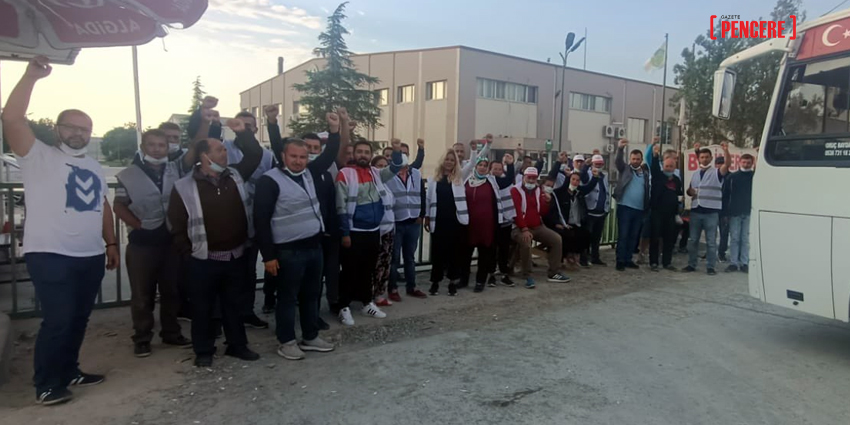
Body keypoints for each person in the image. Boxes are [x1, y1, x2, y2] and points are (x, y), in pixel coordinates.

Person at [1, 56, 120, 406]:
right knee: (59, 319)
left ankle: (69, 370)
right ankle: (47, 384)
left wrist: (111, 242)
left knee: (79, 318)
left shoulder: (94, 166)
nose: (78, 133)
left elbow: (103, 205)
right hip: (50, 254)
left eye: (85, 129)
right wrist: (30, 77)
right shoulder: (37, 156)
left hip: (90, 254)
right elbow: (12, 118)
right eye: (72, 127)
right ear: (57, 129)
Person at [168, 118, 263, 368]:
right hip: (203, 259)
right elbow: (177, 223)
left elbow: (255, 154)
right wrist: (187, 253)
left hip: (236, 256)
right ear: (205, 157)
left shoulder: (235, 176)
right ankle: (204, 350)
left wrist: (242, 132)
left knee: (234, 304)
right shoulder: (184, 186)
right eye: (220, 150)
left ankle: (237, 345)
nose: (225, 153)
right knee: (203, 308)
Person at [253, 110, 343, 360]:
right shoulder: (269, 181)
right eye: (293, 156)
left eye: (303, 157)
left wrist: (335, 130)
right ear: (283, 156)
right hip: (287, 251)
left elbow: (329, 155)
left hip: (313, 247)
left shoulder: (309, 173)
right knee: (287, 298)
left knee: (311, 296)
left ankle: (310, 336)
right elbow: (261, 221)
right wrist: (268, 256)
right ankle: (286, 341)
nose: (299, 161)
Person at [114, 129, 192, 358]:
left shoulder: (175, 169)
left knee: (171, 291)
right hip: (142, 243)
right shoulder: (129, 174)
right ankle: (142, 338)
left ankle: (171, 332)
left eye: (161, 145)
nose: (157, 149)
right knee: (142, 294)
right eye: (152, 145)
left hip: (170, 241)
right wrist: (137, 225)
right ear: (143, 147)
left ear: (167, 148)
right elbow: (119, 205)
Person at [336, 139, 403, 326]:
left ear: (371, 155)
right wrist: (345, 233)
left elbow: (396, 167)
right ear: (354, 154)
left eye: (366, 152)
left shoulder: (376, 173)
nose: (363, 155)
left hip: (373, 231)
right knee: (349, 271)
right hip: (354, 231)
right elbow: (340, 206)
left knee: (368, 270)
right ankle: (343, 307)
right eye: (360, 152)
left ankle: (367, 303)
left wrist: (396, 150)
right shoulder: (345, 174)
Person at [222, 110, 275, 330]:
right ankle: (224, 315)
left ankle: (247, 311)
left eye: (249, 126)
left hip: (255, 220)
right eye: (240, 124)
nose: (244, 128)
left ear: (255, 129)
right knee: (227, 272)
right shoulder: (223, 148)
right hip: (228, 220)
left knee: (249, 270)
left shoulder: (266, 155)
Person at [461, 144, 518, 293]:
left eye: (485, 166)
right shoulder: (466, 180)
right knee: (465, 254)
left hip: (487, 226)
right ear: (476, 166)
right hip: (469, 225)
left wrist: (510, 164)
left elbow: (508, 180)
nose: (482, 168)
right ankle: (463, 279)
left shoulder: (492, 181)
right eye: (480, 165)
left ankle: (480, 281)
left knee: (484, 255)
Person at [511, 167, 571, 288]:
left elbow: (541, 212)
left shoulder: (538, 190)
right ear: (524, 177)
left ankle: (554, 272)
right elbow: (516, 213)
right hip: (519, 227)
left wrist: (546, 202)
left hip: (537, 226)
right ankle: (527, 274)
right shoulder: (515, 190)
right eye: (529, 178)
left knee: (556, 239)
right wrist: (524, 229)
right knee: (526, 242)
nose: (531, 180)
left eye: (533, 178)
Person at [425, 149, 473, 296]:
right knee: (437, 253)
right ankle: (435, 282)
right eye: (447, 159)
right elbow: (428, 199)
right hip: (438, 220)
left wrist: (475, 149)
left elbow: (472, 163)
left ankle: (452, 282)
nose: (449, 162)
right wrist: (427, 216)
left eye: (452, 160)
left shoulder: (459, 177)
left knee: (454, 254)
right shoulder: (433, 180)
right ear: (442, 161)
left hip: (455, 221)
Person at [386, 146, 429, 302]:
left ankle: (412, 287)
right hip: (396, 221)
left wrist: (421, 214)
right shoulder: (388, 174)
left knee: (410, 257)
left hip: (413, 222)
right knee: (394, 258)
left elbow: (422, 194)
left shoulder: (415, 173)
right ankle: (393, 288)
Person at [684, 142, 731, 275]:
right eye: (702, 157)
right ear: (699, 159)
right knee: (693, 240)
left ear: (711, 158)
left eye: (706, 157)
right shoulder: (695, 174)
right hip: (696, 211)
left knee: (711, 241)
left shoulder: (717, 172)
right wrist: (690, 192)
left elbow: (727, 164)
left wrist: (726, 151)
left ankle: (711, 267)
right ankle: (691, 264)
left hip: (711, 212)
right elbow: (690, 190)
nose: (704, 159)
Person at [547, 166, 594, 269]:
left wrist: (595, 177)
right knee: (566, 235)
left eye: (577, 180)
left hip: (576, 222)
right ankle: (564, 258)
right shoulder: (561, 194)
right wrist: (557, 223)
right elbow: (554, 210)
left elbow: (589, 188)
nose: (575, 182)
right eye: (573, 179)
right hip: (564, 223)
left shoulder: (579, 193)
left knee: (585, 234)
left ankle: (576, 257)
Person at [613, 139, 650, 271]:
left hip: (639, 209)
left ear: (641, 160)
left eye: (638, 159)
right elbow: (618, 161)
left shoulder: (645, 174)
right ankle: (620, 260)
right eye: (633, 159)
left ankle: (628, 259)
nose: (635, 161)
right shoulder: (625, 169)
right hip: (625, 207)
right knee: (623, 235)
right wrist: (620, 149)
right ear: (630, 159)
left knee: (633, 236)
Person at [648, 142, 684, 271]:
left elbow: (679, 195)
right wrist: (655, 154)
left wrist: (678, 210)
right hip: (657, 212)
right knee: (655, 238)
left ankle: (667, 262)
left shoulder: (677, 180)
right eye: (667, 166)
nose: (669, 168)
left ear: (675, 167)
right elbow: (653, 166)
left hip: (671, 214)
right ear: (663, 166)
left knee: (669, 239)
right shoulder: (658, 176)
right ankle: (653, 262)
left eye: (671, 166)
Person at [369, 153, 395, 306]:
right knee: (376, 264)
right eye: (380, 166)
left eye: (385, 166)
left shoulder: (386, 184)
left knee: (385, 264)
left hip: (389, 229)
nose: (383, 169)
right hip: (378, 230)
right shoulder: (372, 184)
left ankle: (379, 294)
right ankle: (371, 295)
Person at [723, 153, 755, 273]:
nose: (746, 165)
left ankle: (744, 263)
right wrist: (725, 213)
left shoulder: (755, 176)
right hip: (734, 212)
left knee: (745, 238)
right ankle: (733, 263)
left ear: (752, 163)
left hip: (749, 211)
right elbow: (725, 196)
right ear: (739, 162)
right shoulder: (732, 177)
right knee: (734, 238)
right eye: (744, 162)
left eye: (748, 162)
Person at [488, 154, 517, 286]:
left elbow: (509, 180)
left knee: (504, 249)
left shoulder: (504, 181)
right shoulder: (488, 181)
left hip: (505, 221)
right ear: (490, 170)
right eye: (495, 169)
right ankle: (491, 275)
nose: (497, 171)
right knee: (492, 249)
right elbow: (508, 179)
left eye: (500, 169)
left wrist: (510, 164)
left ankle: (504, 274)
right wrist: (510, 166)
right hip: (492, 221)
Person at [580, 154, 610, 267]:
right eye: (596, 164)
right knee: (586, 237)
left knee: (597, 237)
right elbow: (582, 177)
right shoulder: (588, 174)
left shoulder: (604, 176)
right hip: (590, 210)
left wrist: (606, 208)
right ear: (592, 164)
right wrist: (585, 166)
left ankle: (595, 257)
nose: (598, 166)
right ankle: (583, 258)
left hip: (601, 211)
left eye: (600, 164)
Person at [716, 156, 730, 263]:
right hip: (713, 208)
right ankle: (710, 252)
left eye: (722, 163)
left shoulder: (731, 177)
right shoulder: (713, 175)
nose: (720, 165)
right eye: (718, 163)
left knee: (724, 233)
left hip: (725, 209)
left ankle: (722, 253)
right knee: (711, 233)